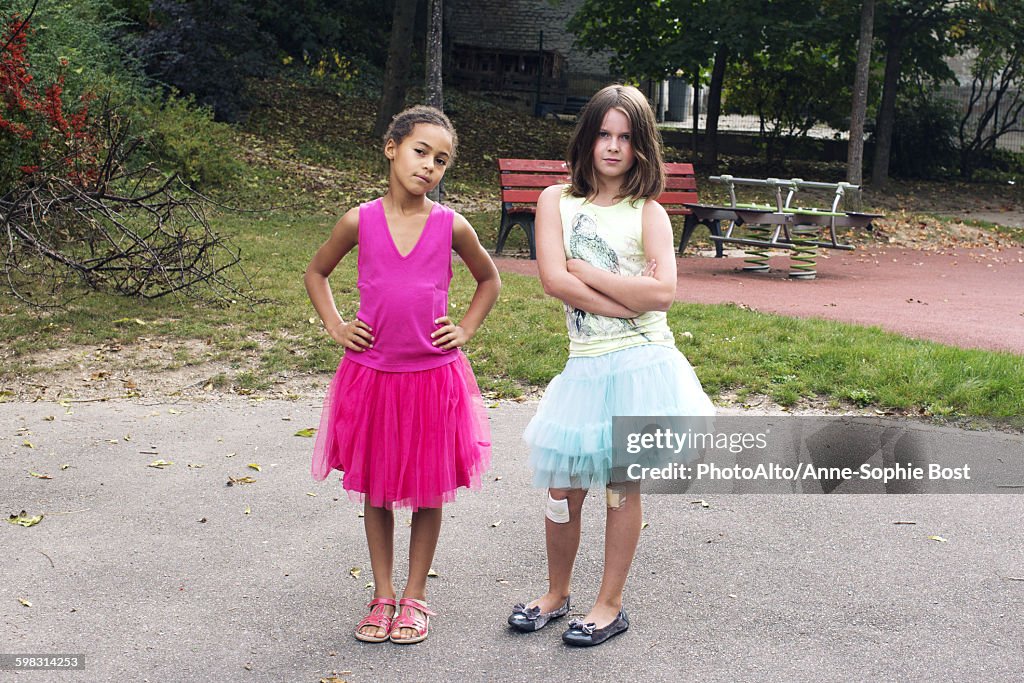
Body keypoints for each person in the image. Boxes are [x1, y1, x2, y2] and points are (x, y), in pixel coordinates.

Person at [508, 85, 715, 647]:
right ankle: (556, 594)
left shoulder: (647, 213)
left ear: (641, 146)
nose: (613, 147)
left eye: (625, 137)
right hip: (585, 367)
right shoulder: (556, 201)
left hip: (642, 366)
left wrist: (592, 275)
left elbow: (664, 292)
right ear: (587, 137)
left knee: (621, 487)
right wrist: (629, 296)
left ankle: (609, 604)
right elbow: (554, 279)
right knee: (561, 488)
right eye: (604, 133)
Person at [305, 105, 500, 645]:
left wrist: (465, 329)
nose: (429, 167)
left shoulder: (450, 224)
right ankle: (382, 593)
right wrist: (337, 324)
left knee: (428, 489)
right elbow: (316, 271)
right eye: (420, 152)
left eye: (441, 160)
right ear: (391, 147)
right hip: (372, 375)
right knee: (378, 488)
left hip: (433, 378)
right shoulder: (358, 220)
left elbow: (489, 280)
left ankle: (415, 597)